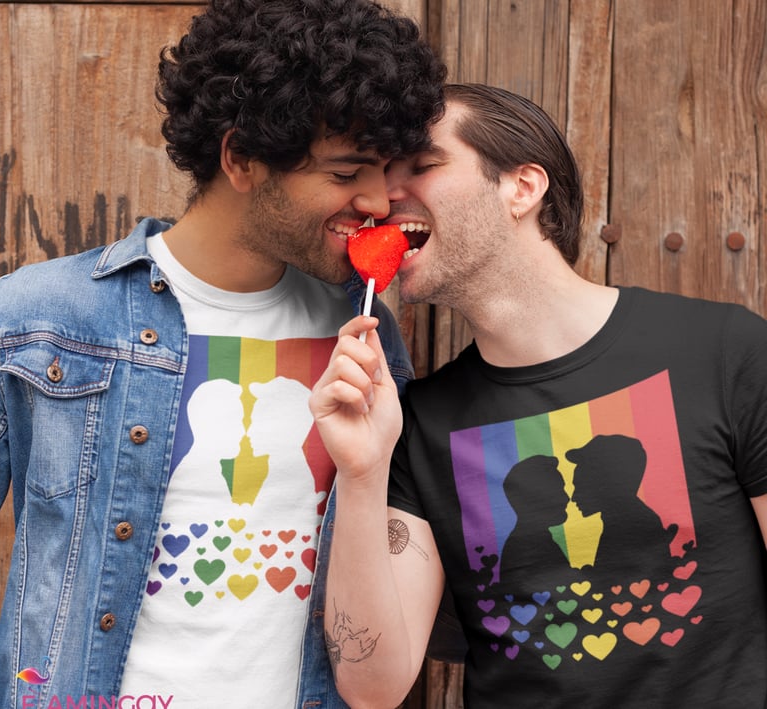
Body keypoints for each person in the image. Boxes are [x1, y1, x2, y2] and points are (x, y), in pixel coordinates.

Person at [0, 1, 446, 706]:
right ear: (239, 158)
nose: (376, 200)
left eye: (383, 169)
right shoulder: (38, 318)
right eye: (346, 172)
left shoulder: (364, 338)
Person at [309, 83, 767, 708]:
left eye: (421, 165)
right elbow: (372, 687)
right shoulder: (414, 423)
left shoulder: (725, 349)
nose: (382, 197)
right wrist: (361, 475)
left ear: (522, 187)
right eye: (382, 172)